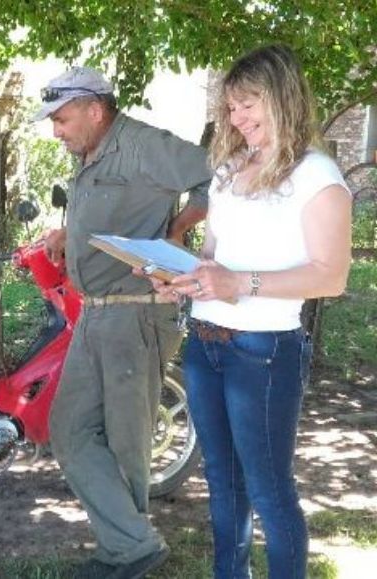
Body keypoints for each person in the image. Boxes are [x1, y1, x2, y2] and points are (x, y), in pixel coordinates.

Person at [147, 45, 351, 578]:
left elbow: (331, 275)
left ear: (281, 98)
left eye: (248, 105)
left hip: (263, 353)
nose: (237, 120)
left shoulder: (318, 176)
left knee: (270, 491)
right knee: (222, 481)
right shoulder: (229, 169)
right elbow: (214, 258)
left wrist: (240, 283)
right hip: (206, 344)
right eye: (231, 109)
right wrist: (183, 277)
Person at [35, 66, 211, 578]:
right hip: (94, 312)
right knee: (68, 431)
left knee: (126, 441)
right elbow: (111, 210)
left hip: (137, 312)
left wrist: (175, 229)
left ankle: (126, 553)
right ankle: (132, 543)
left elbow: (216, 177)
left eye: (62, 119)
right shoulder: (91, 150)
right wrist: (72, 233)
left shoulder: (141, 144)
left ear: (94, 109)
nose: (57, 130)